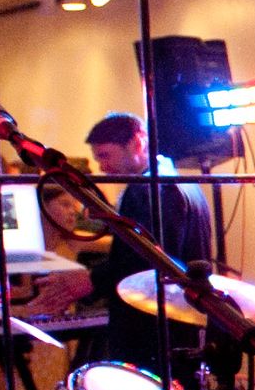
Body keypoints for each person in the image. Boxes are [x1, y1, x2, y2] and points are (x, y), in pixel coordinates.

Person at [83, 112, 217, 370]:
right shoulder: (183, 183)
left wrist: (91, 279)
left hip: (152, 331)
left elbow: (143, 264)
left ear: (137, 143)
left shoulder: (146, 190)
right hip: (181, 325)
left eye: (105, 156)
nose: (102, 168)